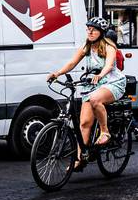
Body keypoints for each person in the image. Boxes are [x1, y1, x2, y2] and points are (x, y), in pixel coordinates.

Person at [48, 17, 126, 161]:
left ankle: (104, 132)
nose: (90, 32)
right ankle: (81, 158)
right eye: (88, 29)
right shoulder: (87, 47)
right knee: (84, 123)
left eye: (94, 29)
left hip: (112, 82)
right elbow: (72, 62)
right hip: (92, 84)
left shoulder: (109, 47)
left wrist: (100, 74)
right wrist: (57, 73)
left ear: (101, 32)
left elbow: (109, 65)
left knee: (95, 99)